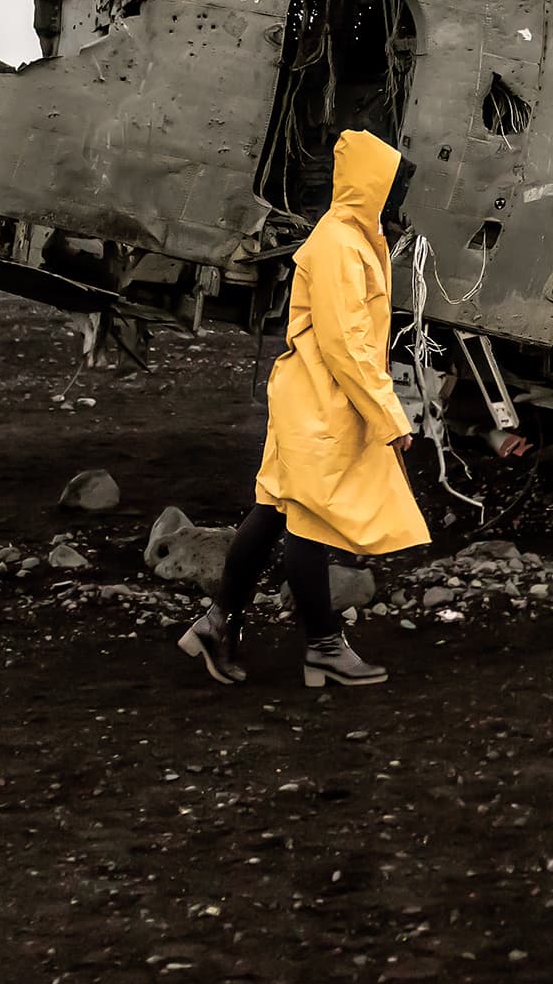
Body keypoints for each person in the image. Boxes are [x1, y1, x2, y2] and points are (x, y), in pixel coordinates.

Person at [181, 129, 430, 687]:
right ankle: (322, 646)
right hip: (322, 402)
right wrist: (388, 414)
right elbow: (347, 342)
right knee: (307, 520)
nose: (396, 199)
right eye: (391, 187)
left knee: (274, 513)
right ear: (371, 186)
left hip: (311, 397)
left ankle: (217, 624)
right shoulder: (342, 244)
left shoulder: (349, 237)